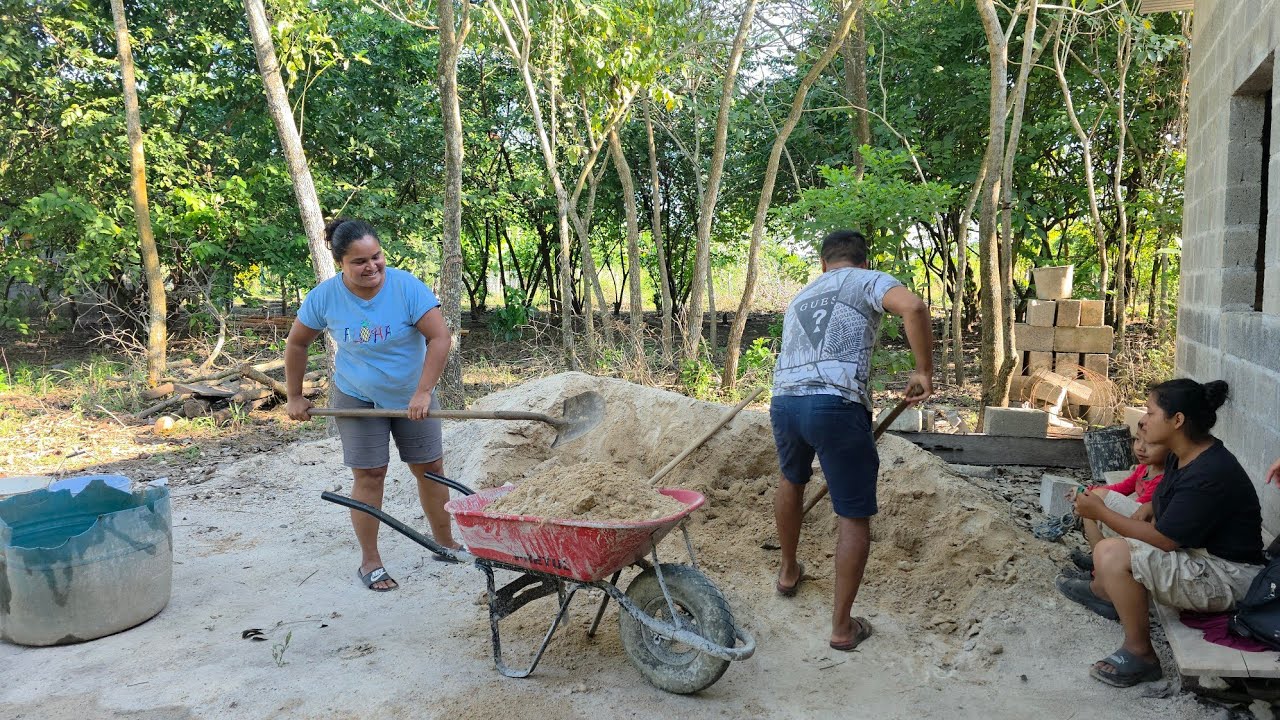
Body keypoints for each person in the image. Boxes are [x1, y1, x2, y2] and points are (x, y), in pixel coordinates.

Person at [769, 229, 933, 652]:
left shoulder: (802, 295)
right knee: (853, 515)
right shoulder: (868, 279)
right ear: (863, 261)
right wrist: (923, 371)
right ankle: (842, 628)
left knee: (791, 479)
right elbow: (913, 306)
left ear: (823, 264)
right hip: (836, 404)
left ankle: (788, 572)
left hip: (785, 402)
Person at [285, 218, 459, 592]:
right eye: (359, 261)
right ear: (341, 264)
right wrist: (295, 395)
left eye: (376, 256)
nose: (372, 267)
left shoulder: (406, 287)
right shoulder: (325, 297)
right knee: (370, 474)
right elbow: (297, 343)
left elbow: (440, 338)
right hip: (357, 397)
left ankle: (444, 543)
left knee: (430, 468)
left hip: (414, 395)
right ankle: (371, 561)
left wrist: (424, 391)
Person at [1059, 379, 1265, 687]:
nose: (1142, 420)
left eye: (1150, 412)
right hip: (1199, 554)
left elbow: (1165, 541)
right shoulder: (1184, 454)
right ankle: (1105, 590)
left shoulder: (1209, 472)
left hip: (1228, 576)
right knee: (1107, 510)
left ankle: (1140, 653)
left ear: (1177, 421)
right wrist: (1151, 505)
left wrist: (1100, 514)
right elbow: (1170, 498)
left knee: (1111, 551)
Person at [1070, 433, 1170, 570]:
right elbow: (1122, 488)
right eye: (1138, 440)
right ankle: (1098, 561)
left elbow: (1140, 509)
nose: (1141, 448)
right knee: (1091, 499)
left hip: (1142, 525)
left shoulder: (1163, 478)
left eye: (1151, 444)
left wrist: (1096, 498)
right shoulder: (1144, 468)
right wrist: (1090, 490)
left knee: (1093, 504)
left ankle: (1101, 568)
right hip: (1135, 515)